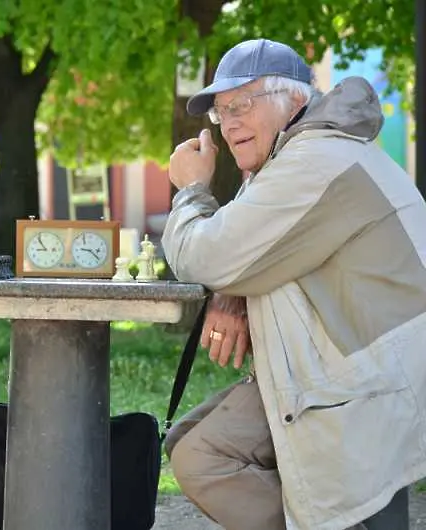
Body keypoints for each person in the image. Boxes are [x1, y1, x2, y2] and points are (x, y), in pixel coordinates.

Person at [161, 38, 426, 530]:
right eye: (222, 112)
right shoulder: (301, 158)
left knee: (204, 458)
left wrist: (193, 190)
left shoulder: (314, 161)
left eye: (243, 104)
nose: (231, 121)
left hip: (372, 385)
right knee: (190, 443)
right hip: (355, 371)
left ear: (296, 101)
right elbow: (252, 254)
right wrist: (233, 290)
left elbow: (204, 256)